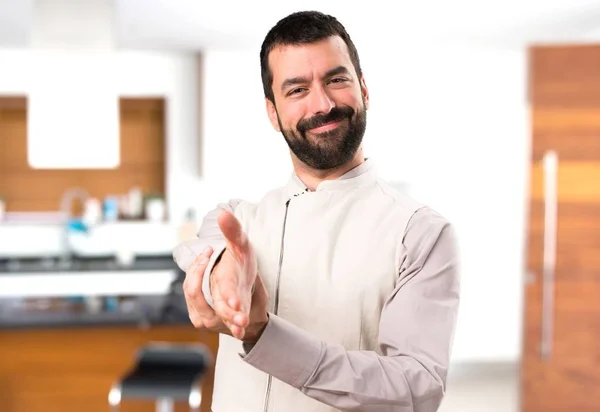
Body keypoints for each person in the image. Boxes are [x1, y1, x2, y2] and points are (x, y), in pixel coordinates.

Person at [173, 10, 460, 412]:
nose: (322, 104)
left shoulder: (420, 233)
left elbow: (417, 389)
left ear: (363, 89)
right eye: (296, 90)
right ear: (272, 113)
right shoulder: (239, 219)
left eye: (336, 80)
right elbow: (196, 252)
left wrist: (264, 334)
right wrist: (217, 279)